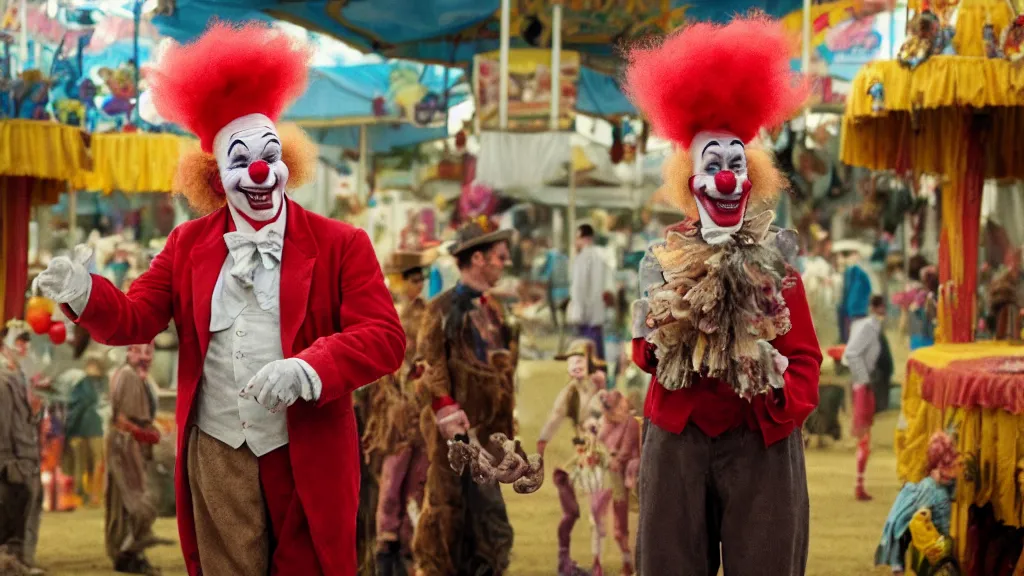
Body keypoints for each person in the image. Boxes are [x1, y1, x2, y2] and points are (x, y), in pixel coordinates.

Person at [33, 22, 405, 576]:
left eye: (270, 155)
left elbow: (385, 339)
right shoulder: (187, 244)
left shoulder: (340, 244)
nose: (260, 171)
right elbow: (136, 319)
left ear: (288, 162)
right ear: (214, 175)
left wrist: (308, 368)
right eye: (241, 160)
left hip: (304, 449)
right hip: (217, 450)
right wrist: (85, 293)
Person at [625, 16, 822, 575]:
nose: (727, 179)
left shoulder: (779, 261)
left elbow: (806, 357)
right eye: (714, 166)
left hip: (760, 436)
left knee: (766, 561)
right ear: (691, 181)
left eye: (737, 165)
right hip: (679, 436)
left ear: (753, 176)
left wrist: (778, 385)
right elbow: (645, 352)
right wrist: (664, 336)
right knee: (668, 562)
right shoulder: (659, 259)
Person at [411, 219, 520, 576]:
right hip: (452, 437)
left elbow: (503, 370)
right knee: (449, 514)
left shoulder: (495, 310)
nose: (505, 263)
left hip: (488, 434)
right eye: (499, 257)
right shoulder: (442, 308)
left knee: (489, 522)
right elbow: (429, 361)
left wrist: (505, 419)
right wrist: (446, 409)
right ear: (477, 259)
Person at [364, 251, 434, 576]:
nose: (419, 284)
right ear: (399, 281)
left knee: (417, 483)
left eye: (422, 278)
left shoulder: (429, 315)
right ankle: (385, 547)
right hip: (393, 413)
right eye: (414, 278)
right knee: (391, 481)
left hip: (422, 412)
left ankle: (408, 548)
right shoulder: (383, 312)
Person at [106, 342, 168, 574]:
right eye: (138, 350)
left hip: (133, 446)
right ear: (128, 352)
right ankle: (127, 554)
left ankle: (129, 553)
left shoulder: (143, 379)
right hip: (125, 445)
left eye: (149, 352)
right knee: (136, 503)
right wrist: (144, 434)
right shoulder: (128, 376)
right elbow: (121, 419)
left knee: (130, 502)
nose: (144, 357)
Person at [0, 324, 42, 574]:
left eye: (26, 341)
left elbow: (25, 419)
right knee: (12, 520)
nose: (24, 346)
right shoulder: (3, 380)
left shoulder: (19, 375)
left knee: (27, 517)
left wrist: (36, 411)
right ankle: (14, 565)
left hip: (27, 457)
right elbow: (1, 427)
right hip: (13, 462)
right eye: (19, 340)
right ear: (4, 344)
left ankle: (23, 563)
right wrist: (6, 464)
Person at [842, 295, 889, 501]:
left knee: (865, 436)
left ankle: (860, 483)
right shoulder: (869, 328)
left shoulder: (866, 326)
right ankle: (858, 484)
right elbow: (852, 354)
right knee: (864, 437)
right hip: (863, 384)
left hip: (863, 382)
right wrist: (864, 380)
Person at [65, 353, 106, 505]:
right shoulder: (86, 384)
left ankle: (86, 495)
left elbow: (75, 406)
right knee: (92, 462)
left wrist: (70, 428)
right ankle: (88, 495)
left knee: (86, 463)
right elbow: (78, 406)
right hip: (89, 427)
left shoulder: (93, 384)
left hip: (87, 427)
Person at [568, 224, 612, 360]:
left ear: (583, 238)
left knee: (586, 357)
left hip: (585, 317)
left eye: (577, 238)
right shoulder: (600, 257)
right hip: (596, 316)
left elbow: (579, 288)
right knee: (597, 356)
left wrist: (578, 315)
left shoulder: (582, 258)